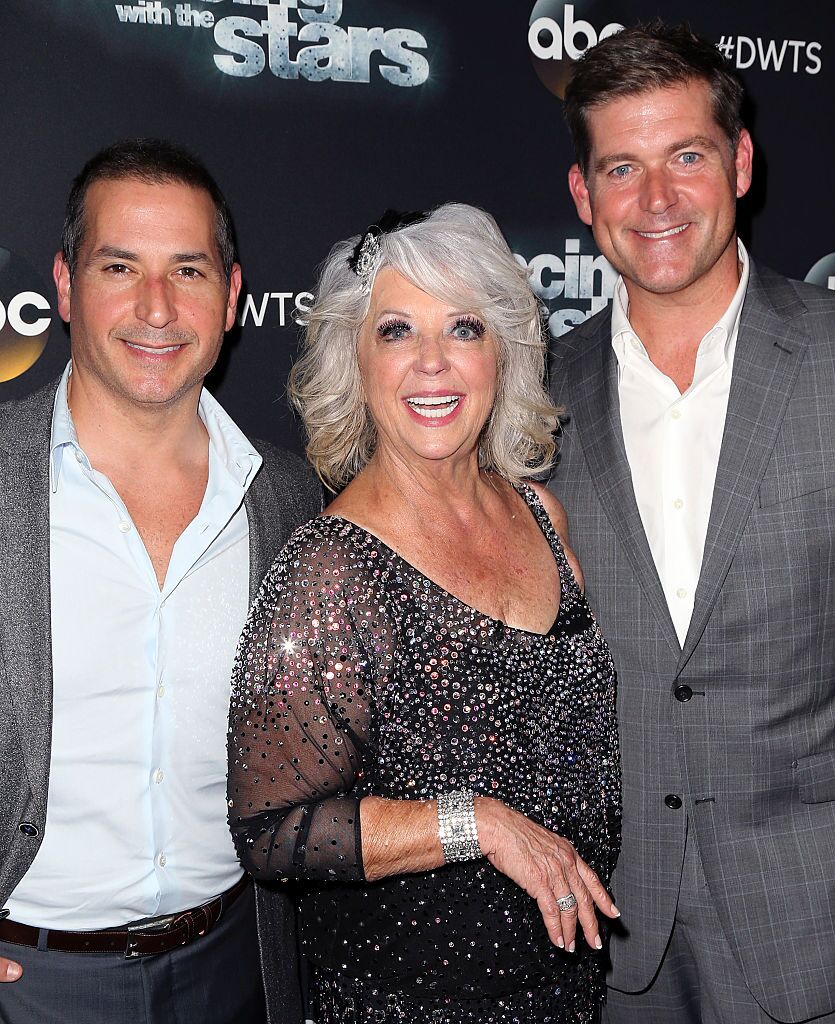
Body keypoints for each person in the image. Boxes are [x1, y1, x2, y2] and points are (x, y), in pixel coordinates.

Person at [228, 203, 621, 1024]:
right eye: (398, 331)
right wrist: (474, 823)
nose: (433, 364)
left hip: (564, 991)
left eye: (464, 329)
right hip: (407, 1002)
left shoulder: (542, 516)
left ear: (504, 353)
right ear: (355, 360)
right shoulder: (330, 568)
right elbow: (272, 832)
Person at [550, 20, 835, 1024]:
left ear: (741, 162)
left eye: (686, 157)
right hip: (614, 934)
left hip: (813, 921)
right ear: (583, 197)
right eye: (621, 168)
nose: (656, 200)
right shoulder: (532, 399)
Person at [0, 139, 321, 1024]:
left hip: (238, 967)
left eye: (187, 269)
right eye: (120, 266)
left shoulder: (287, 498)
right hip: (34, 983)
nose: (155, 307)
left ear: (232, 295)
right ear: (65, 287)